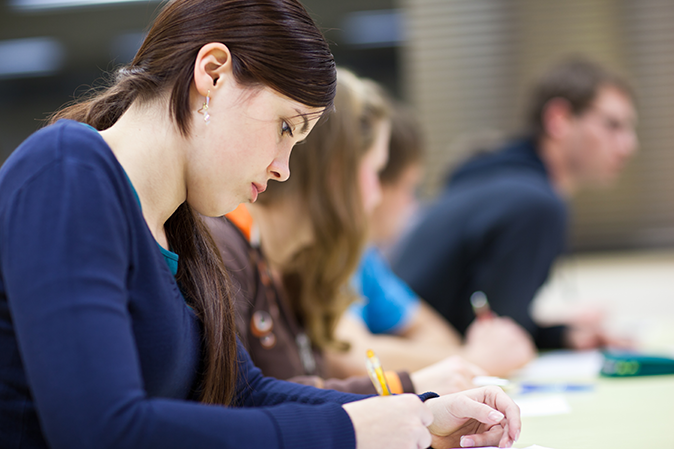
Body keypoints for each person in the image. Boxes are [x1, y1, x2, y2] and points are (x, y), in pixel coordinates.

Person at [0, 1, 522, 448]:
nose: (283, 168)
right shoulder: (68, 170)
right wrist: (353, 431)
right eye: (286, 128)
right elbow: (103, 432)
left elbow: (243, 391)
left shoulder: (184, 229)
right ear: (213, 73)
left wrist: (424, 413)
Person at [205, 69, 486, 396]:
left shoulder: (292, 264)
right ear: (337, 171)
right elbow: (248, 402)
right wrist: (404, 388)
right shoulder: (228, 247)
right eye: (375, 173)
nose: (376, 196)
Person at [392, 57, 639, 350]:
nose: (629, 146)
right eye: (612, 125)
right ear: (558, 119)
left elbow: (491, 320)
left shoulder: (502, 182)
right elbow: (498, 340)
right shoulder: (534, 203)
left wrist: (562, 334)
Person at [335, 102, 536, 377]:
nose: (412, 205)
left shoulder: (363, 257)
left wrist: (462, 357)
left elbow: (436, 334)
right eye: (408, 187)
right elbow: (351, 357)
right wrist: (474, 359)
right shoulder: (331, 253)